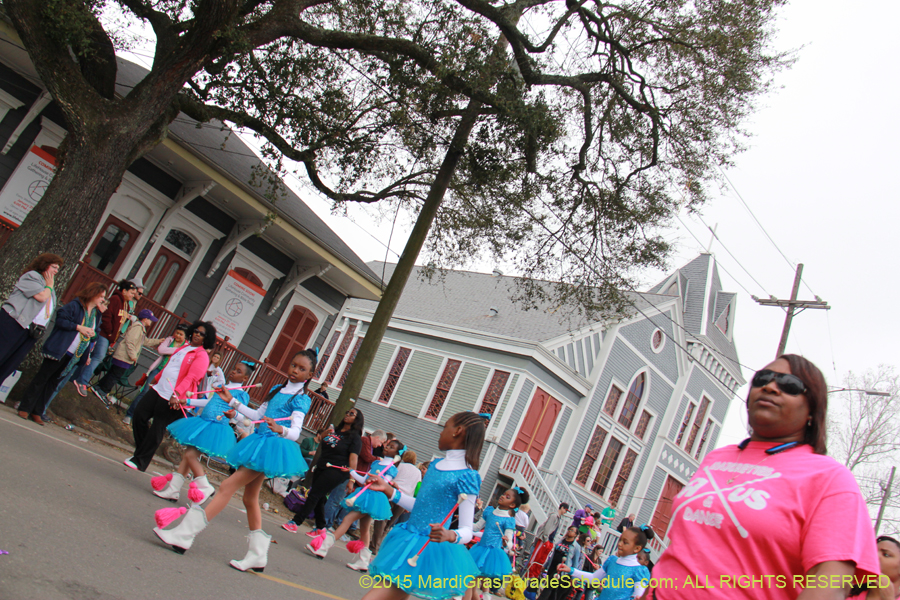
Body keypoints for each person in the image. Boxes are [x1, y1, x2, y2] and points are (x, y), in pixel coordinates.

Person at [650, 354, 880, 599]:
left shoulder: (830, 479)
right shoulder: (717, 458)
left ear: (813, 410)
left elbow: (831, 583)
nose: (770, 387)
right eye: (762, 379)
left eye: (789, 385)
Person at [153, 350, 317, 573]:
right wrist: (234, 406)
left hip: (269, 447)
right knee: (250, 499)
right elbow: (257, 416)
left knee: (227, 486)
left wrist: (282, 429)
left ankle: (184, 535)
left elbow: (296, 432)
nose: (295, 371)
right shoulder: (277, 390)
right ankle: (258, 555)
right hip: (259, 442)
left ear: (310, 374)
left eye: (302, 369)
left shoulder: (300, 398)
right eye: (293, 365)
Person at [363, 411, 485, 600]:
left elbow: (467, 530)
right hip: (407, 539)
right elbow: (420, 507)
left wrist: (450, 534)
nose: (440, 432)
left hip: (429, 547)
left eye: (445, 427)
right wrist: (389, 491)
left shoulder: (467, 476)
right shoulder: (435, 465)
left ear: (458, 431)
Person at [151, 361, 254, 503]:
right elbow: (209, 403)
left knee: (189, 455)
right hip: (203, 422)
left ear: (245, 379)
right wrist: (186, 401)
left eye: (239, 371)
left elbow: (242, 415)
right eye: (234, 369)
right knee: (188, 454)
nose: (233, 372)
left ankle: (204, 485)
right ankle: (173, 489)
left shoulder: (240, 394)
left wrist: (234, 415)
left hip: (215, 428)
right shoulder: (222, 387)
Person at [125, 321, 215, 471]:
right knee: (139, 414)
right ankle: (142, 452)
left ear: (206, 339)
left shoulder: (202, 356)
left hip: (173, 395)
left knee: (157, 427)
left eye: (202, 334)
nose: (197, 334)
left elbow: (192, 378)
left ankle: (140, 461)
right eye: (196, 331)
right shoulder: (184, 347)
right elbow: (170, 366)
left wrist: (177, 394)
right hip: (159, 388)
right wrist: (155, 379)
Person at [308, 439, 406, 572]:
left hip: (374, 499)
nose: (387, 447)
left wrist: (379, 480)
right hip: (365, 494)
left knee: (348, 519)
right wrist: (351, 472)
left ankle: (323, 547)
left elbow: (384, 484)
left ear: (397, 453)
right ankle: (364, 562)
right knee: (364, 529)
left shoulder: (392, 469)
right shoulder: (376, 462)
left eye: (392, 447)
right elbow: (364, 480)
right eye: (388, 445)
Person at [16, 283, 106, 424]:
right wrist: (78, 327)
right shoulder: (76, 305)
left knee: (53, 383)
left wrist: (93, 334)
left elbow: (96, 334)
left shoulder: (96, 315)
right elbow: (61, 320)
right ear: (92, 294)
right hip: (60, 349)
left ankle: (37, 411)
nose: (102, 300)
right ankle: (25, 406)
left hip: (74, 355)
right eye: (100, 296)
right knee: (42, 378)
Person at [280, 407, 363, 536]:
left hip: (337, 470)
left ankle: (296, 522)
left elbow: (353, 459)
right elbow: (325, 445)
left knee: (314, 494)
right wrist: (324, 436)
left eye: (351, 414)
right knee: (320, 496)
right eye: (347, 412)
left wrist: (351, 478)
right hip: (322, 466)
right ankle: (320, 527)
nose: (347, 414)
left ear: (357, 420)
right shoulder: (336, 431)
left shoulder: (355, 438)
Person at [41, 296, 108, 421]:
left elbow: (93, 338)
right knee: (50, 380)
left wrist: (87, 353)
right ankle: (37, 407)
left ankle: (41, 408)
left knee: (59, 383)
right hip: (66, 349)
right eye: (102, 299)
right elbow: (64, 321)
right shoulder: (79, 307)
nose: (104, 304)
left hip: (79, 354)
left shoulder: (97, 316)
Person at [0, 253, 62, 388]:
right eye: (54, 267)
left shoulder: (48, 286)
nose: (56, 271)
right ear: (44, 265)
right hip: (13, 323)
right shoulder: (32, 276)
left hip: (30, 331)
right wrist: (50, 285)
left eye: (58, 269)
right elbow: (41, 297)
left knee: (10, 364)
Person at [74, 279, 137, 397]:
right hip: (104, 334)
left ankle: (77, 376)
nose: (133, 296)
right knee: (98, 356)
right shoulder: (116, 299)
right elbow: (107, 316)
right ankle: (82, 381)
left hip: (110, 337)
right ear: (124, 291)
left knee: (92, 357)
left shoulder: (125, 304)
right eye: (131, 293)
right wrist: (109, 332)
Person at [467, 486, 529, 600]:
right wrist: (465, 523)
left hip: (491, 554)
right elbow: (476, 527)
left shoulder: (509, 520)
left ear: (512, 505)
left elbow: (509, 542)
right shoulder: (489, 511)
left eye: (507, 497)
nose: (502, 496)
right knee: (471, 581)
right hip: (479, 549)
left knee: (471, 580)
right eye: (504, 494)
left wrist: (506, 543)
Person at [560, 525, 654, 600]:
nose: (620, 544)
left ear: (637, 548)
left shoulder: (639, 570)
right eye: (620, 540)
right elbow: (594, 578)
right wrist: (571, 570)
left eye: (625, 542)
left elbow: (640, 595)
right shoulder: (612, 560)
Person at [93, 309, 163, 404]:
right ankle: (103, 391)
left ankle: (99, 387)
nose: (151, 321)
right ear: (145, 319)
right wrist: (133, 356)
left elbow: (145, 341)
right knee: (115, 375)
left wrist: (158, 341)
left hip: (125, 357)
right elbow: (130, 342)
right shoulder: (137, 327)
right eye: (150, 319)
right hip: (124, 357)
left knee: (113, 373)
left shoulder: (141, 328)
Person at [123, 323, 188, 425]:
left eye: (181, 334)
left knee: (159, 397)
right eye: (177, 333)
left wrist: (171, 351)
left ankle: (146, 418)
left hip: (170, 376)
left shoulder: (186, 347)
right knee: (145, 391)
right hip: (158, 370)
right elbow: (161, 350)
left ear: (185, 337)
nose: (178, 336)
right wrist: (176, 350)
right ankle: (129, 414)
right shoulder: (169, 340)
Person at [371, 448, 422, 552]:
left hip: (392, 493)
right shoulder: (418, 473)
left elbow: (391, 479)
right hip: (405, 499)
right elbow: (415, 487)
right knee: (390, 523)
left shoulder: (399, 466)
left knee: (381, 520)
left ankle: (374, 545)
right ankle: (380, 544)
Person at [539, 526, 584, 600]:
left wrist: (573, 577)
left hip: (561, 570)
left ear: (576, 535)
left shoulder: (576, 547)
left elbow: (575, 562)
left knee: (549, 587)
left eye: (572, 530)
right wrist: (546, 565)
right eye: (569, 529)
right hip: (552, 566)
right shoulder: (561, 541)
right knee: (553, 590)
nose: (569, 531)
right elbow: (552, 555)